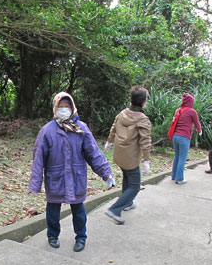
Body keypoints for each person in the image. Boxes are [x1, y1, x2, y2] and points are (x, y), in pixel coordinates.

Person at [29, 91, 114, 252]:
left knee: (79, 211)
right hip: (55, 177)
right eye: (60, 106)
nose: (64, 109)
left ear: (73, 107)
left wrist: (106, 174)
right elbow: (38, 159)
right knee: (53, 211)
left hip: (76, 178)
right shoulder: (47, 131)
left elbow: (93, 153)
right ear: (55, 108)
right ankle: (52, 235)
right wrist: (35, 184)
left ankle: (81, 237)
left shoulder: (81, 128)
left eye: (67, 106)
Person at [103, 86, 152, 225]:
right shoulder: (143, 119)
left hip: (119, 154)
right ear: (143, 103)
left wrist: (109, 141)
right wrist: (146, 160)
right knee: (135, 185)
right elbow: (145, 141)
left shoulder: (122, 113)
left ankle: (128, 203)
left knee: (127, 178)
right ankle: (115, 209)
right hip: (131, 157)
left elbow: (113, 128)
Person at [169, 92, 201, 184]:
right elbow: (197, 123)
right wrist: (200, 131)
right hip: (184, 137)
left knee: (177, 156)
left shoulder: (178, 110)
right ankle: (179, 178)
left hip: (175, 136)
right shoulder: (192, 111)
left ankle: (174, 175)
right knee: (182, 157)